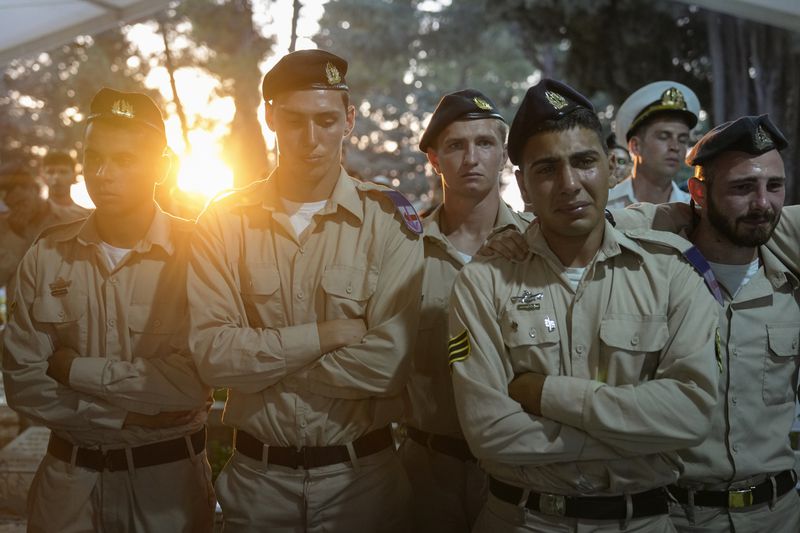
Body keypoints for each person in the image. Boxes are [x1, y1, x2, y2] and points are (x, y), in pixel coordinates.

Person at [447, 78, 719, 532]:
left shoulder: (670, 273)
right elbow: (489, 433)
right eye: (548, 168)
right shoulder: (484, 281)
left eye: (584, 162)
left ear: (611, 170)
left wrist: (545, 394)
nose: (570, 184)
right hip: (522, 520)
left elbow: (691, 415)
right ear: (524, 187)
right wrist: (640, 437)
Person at [187, 49, 423, 532]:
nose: (311, 139)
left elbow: (390, 365)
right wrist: (326, 334)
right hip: (258, 487)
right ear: (270, 117)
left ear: (349, 121)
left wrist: (265, 366)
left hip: (363, 486)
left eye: (326, 120)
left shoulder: (387, 221)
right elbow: (213, 356)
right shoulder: (222, 222)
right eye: (294, 121)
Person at [2, 88, 214, 533]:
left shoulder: (200, 253)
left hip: (167, 493)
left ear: (163, 166)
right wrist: (127, 415)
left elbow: (193, 385)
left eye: (124, 160)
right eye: (92, 156)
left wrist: (73, 369)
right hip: (69, 491)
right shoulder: (48, 255)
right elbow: (23, 382)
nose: (102, 173)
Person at [615, 115, 800, 532]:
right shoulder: (655, 278)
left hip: (779, 515)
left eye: (774, 186)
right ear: (697, 192)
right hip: (678, 516)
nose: (762, 203)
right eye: (741, 187)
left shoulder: (789, 282)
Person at [402, 89, 531, 532]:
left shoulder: (540, 246)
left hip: (520, 470)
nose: (471, 157)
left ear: (504, 156)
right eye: (456, 146)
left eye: (485, 143)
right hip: (425, 470)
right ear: (435, 160)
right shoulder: (405, 250)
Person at [607, 80, 699, 208]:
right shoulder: (605, 206)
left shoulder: (694, 211)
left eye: (682, 140)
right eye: (663, 137)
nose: (675, 147)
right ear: (635, 146)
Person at [0, 165, 86, 293]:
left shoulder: (75, 220)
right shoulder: (5, 228)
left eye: (22, 202)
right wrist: (15, 236)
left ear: (34, 189)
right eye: (12, 206)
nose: (19, 210)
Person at [41, 150, 92, 219]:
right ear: (43, 176)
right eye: (50, 172)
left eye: (63, 172)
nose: (56, 177)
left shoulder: (86, 217)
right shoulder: (33, 215)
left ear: (74, 176)